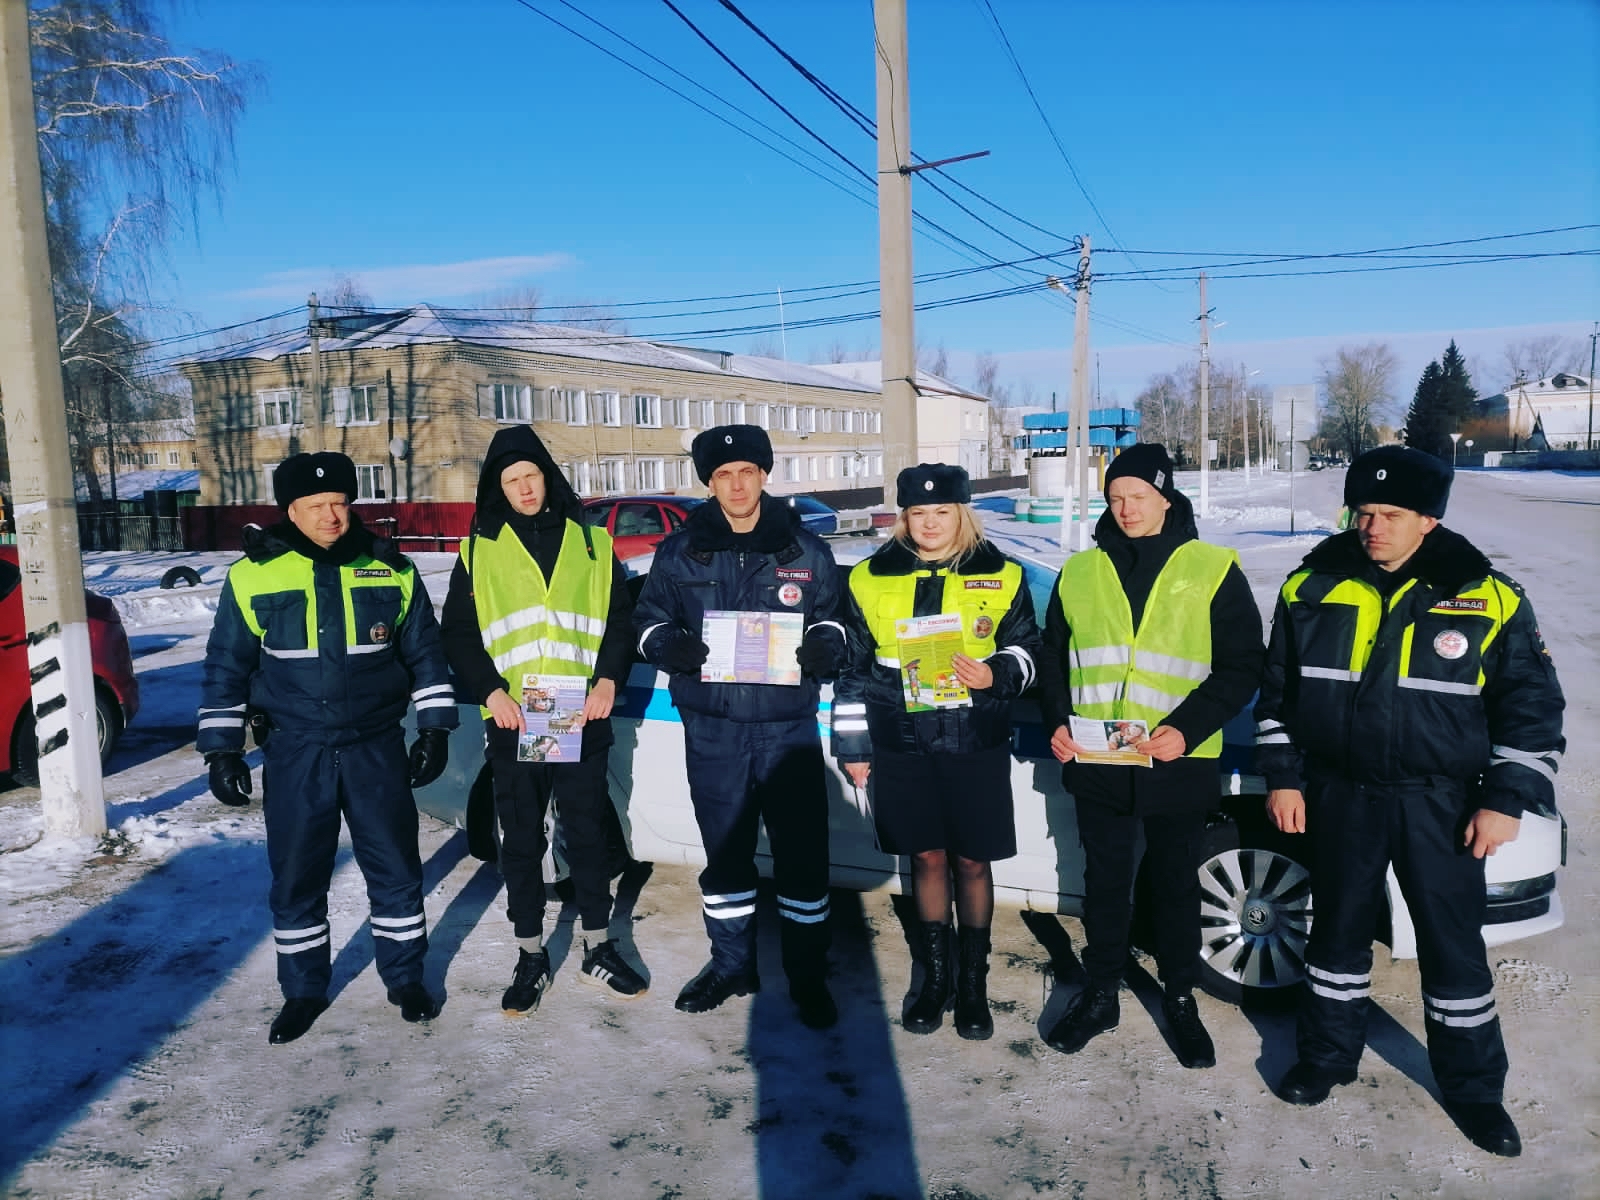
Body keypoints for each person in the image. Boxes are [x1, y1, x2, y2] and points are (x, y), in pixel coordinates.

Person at [1256, 445, 1565, 1157]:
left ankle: (1475, 1092)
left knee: (1454, 951)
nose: (1373, 527)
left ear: (1428, 519)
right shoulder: (1312, 588)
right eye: (1363, 512)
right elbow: (1278, 697)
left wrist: (1506, 799)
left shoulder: (1489, 596)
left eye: (1390, 515)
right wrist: (1284, 776)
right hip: (1340, 795)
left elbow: (1532, 711)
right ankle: (1326, 1059)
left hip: (1442, 803)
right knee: (1335, 937)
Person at [197, 451, 457, 1044]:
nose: (331, 516)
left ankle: (405, 980)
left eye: (339, 502)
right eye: (315, 506)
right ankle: (304, 991)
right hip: (295, 752)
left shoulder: (390, 568)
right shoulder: (253, 575)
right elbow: (225, 667)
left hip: (375, 748)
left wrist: (437, 726)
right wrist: (221, 749)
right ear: (290, 510)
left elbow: (425, 654)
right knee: (297, 878)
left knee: (395, 872)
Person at [1038, 442, 1263, 1068]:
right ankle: (1102, 991)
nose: (1126, 508)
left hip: (1178, 760)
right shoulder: (1081, 571)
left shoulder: (1212, 567)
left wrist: (1186, 729)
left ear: (1167, 498)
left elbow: (1244, 664)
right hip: (1098, 757)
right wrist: (1058, 720)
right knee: (1104, 883)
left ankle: (1180, 998)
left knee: (1173, 884)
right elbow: (1054, 658)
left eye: (1138, 496)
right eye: (1115, 497)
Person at [633, 424, 845, 1029]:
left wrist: (825, 647)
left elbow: (832, 619)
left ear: (764, 475)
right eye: (723, 475)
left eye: (747, 472)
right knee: (725, 854)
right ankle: (731, 966)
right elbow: (647, 619)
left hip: (787, 729)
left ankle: (807, 974)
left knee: (803, 858)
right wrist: (668, 644)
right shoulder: (682, 551)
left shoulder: (805, 550)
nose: (736, 484)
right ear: (709, 482)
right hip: (714, 727)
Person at [441, 425, 646, 1013]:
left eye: (531, 475)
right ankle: (531, 953)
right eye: (511, 480)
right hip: (515, 716)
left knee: (586, 833)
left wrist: (609, 677)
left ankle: (598, 949)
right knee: (523, 838)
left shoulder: (592, 542)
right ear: (496, 488)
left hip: (580, 710)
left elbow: (619, 618)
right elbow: (457, 632)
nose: (524, 488)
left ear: (547, 476)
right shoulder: (478, 548)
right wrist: (489, 692)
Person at [833, 463, 1040, 1039]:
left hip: (974, 740)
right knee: (923, 858)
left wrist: (994, 672)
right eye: (917, 513)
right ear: (903, 517)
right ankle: (935, 979)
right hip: (900, 742)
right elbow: (853, 669)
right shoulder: (868, 578)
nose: (929, 523)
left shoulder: (1003, 574)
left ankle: (973, 988)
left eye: (941, 512)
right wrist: (852, 742)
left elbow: (1028, 651)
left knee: (972, 861)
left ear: (962, 513)